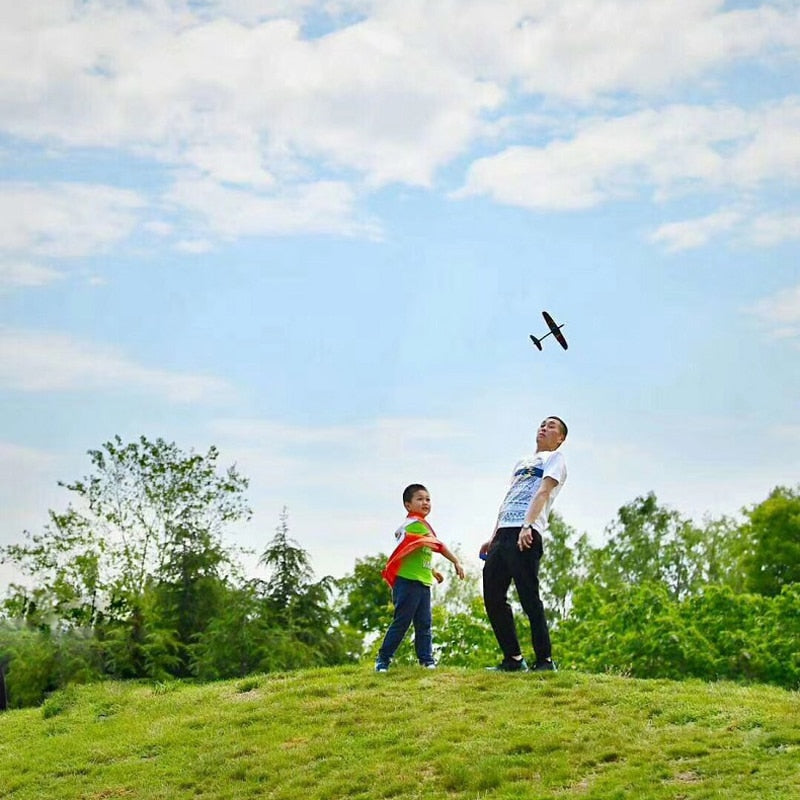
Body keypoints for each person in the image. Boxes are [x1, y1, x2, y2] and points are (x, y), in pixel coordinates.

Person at [480, 416, 568, 672]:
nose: (544, 427)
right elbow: (509, 498)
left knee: (529, 598)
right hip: (504, 533)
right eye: (542, 424)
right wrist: (493, 535)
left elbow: (542, 492)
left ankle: (545, 660)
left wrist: (527, 525)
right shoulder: (522, 463)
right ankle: (514, 659)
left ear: (560, 438)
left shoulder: (555, 459)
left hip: (527, 532)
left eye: (551, 426)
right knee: (493, 596)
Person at [375, 484, 465, 672]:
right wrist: (455, 561)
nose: (425, 502)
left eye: (428, 499)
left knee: (424, 623)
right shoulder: (415, 524)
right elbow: (438, 545)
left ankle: (426, 661)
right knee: (402, 622)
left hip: (421, 581)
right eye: (420, 499)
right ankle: (383, 660)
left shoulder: (414, 527)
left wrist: (431, 571)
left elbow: (412, 552)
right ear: (408, 505)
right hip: (409, 582)